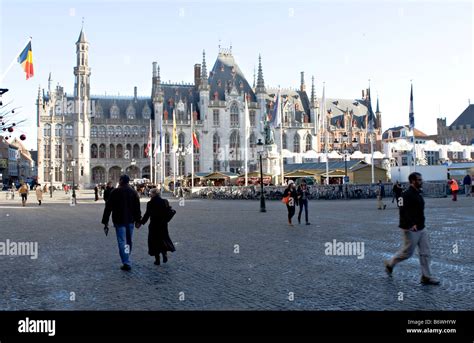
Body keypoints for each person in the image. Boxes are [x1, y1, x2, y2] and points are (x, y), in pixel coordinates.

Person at [384, 172, 440, 285]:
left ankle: (426, 276)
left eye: (421, 179)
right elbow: (403, 211)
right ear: (412, 181)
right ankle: (390, 263)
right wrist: (411, 224)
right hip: (411, 228)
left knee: (425, 252)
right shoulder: (407, 194)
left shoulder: (418, 192)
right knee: (407, 253)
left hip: (421, 227)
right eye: (419, 180)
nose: (421, 181)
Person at [101, 175, 141, 271]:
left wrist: (105, 221)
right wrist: (138, 220)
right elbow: (137, 208)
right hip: (130, 220)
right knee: (128, 241)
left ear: (121, 181)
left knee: (122, 241)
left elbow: (108, 208)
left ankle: (126, 261)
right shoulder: (133, 192)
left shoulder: (115, 192)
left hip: (119, 220)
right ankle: (127, 258)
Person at [140, 188, 176, 265]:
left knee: (154, 242)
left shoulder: (150, 203)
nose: (149, 194)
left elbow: (147, 215)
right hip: (163, 224)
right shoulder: (164, 202)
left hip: (154, 225)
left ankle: (157, 260)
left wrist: (141, 222)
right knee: (163, 239)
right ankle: (164, 253)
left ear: (154, 194)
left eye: (150, 193)